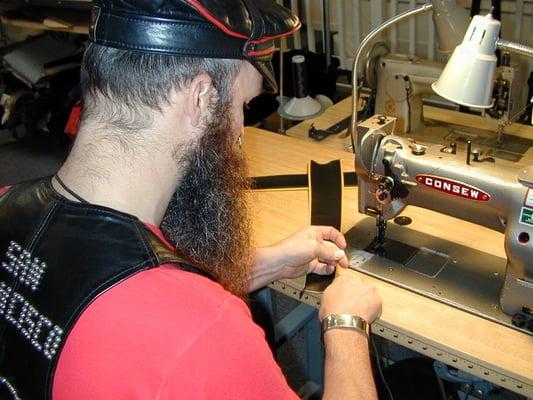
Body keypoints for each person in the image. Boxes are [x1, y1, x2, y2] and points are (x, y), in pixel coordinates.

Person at [0, 1, 382, 399]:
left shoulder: (7, 201)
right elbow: (167, 319)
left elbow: (89, 286)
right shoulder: (204, 337)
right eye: (242, 107)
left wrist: (272, 260)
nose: (238, 134)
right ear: (200, 98)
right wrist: (345, 324)